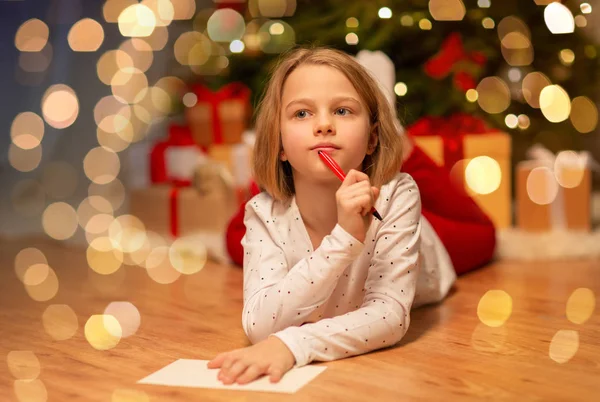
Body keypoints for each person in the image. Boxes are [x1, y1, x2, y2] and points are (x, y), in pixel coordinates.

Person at [208, 47, 488, 385]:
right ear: (278, 143)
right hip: (306, 202)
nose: (324, 125)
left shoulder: (398, 196)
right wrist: (344, 239)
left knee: (483, 235)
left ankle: (397, 135)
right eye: (301, 114)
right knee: (241, 228)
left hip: (423, 250)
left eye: (342, 110)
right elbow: (259, 325)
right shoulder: (262, 212)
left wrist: (292, 344)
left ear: (372, 139)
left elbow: (389, 316)